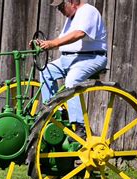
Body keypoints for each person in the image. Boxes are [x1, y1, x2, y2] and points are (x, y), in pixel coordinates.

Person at [37, 0, 107, 139]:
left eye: (61, 6)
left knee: (72, 80)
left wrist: (53, 43)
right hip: (69, 59)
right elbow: (63, 41)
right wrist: (43, 44)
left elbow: (79, 34)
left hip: (90, 58)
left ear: (72, 1)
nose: (59, 10)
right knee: (46, 71)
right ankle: (55, 113)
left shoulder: (88, 11)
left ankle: (79, 127)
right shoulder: (72, 18)